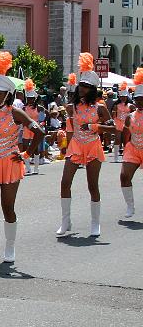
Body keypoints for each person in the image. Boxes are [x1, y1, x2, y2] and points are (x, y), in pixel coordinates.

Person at [0, 52, 44, 266]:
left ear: (8, 95)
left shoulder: (16, 114)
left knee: (7, 207)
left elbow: (39, 132)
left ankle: (10, 247)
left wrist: (26, 154)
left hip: (11, 163)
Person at [57, 53, 114, 237]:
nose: (82, 89)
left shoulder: (100, 108)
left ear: (92, 90)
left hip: (93, 146)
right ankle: (66, 222)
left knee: (92, 186)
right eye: (81, 85)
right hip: (76, 145)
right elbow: (71, 128)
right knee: (65, 183)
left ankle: (95, 223)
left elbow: (113, 129)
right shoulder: (72, 107)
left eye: (86, 86)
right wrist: (65, 145)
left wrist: (94, 126)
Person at [120, 69, 143, 218]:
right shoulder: (130, 116)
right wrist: (125, 147)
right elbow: (125, 133)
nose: (140, 101)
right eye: (138, 99)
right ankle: (130, 206)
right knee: (124, 176)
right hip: (133, 148)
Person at [21, 79, 46, 175]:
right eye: (28, 98)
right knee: (25, 147)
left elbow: (45, 117)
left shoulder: (39, 108)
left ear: (34, 98)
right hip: (26, 129)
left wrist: (41, 124)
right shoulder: (23, 108)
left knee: (35, 148)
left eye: (31, 98)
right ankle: (28, 168)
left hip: (35, 129)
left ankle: (36, 168)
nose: (30, 100)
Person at [112, 82, 135, 163]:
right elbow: (114, 115)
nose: (123, 98)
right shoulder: (116, 105)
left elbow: (136, 113)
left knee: (126, 140)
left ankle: (126, 156)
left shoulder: (130, 105)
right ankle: (115, 157)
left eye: (124, 97)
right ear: (119, 97)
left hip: (127, 124)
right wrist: (114, 122)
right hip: (118, 123)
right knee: (117, 139)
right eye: (121, 97)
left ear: (127, 97)